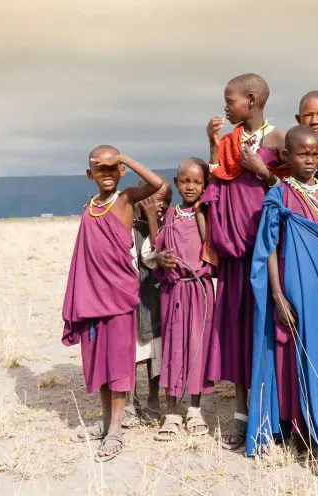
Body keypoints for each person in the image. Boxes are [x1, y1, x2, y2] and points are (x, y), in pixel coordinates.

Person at [247, 125, 318, 481]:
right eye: (301, 154)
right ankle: (313, 438)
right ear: (285, 157)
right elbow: (269, 251)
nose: (309, 160)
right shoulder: (280, 194)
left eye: (314, 153)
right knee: (299, 354)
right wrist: (277, 295)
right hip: (294, 285)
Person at [203, 73, 292, 450]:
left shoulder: (280, 139)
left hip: (271, 252)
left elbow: (293, 189)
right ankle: (242, 413)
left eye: (231, 99)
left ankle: (277, 412)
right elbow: (216, 189)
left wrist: (261, 171)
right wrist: (211, 146)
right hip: (236, 256)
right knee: (240, 331)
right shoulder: (228, 142)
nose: (225, 106)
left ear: (252, 100)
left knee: (271, 332)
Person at [63, 145, 167, 462]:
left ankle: (117, 430)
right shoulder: (90, 206)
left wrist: (123, 159)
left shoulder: (124, 200)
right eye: (100, 169)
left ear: (120, 171)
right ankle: (105, 421)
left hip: (119, 298)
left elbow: (157, 184)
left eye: (112, 169)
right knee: (99, 362)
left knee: (119, 364)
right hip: (93, 297)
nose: (106, 174)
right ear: (89, 174)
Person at [153, 158, 219, 441]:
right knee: (172, 346)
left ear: (205, 184)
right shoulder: (169, 215)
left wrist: (203, 215)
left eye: (197, 181)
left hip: (201, 290)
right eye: (185, 181)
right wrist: (159, 259)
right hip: (173, 290)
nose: (190, 186)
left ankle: (194, 409)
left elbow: (212, 250)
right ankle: (171, 411)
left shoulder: (210, 213)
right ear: (177, 182)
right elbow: (154, 253)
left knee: (197, 346)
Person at [123, 183, 172, 426]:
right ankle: (130, 399)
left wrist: (153, 220)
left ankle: (154, 397)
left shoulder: (165, 228)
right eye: (154, 199)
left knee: (155, 351)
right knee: (132, 352)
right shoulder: (127, 226)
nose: (160, 205)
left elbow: (157, 255)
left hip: (155, 301)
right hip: (132, 300)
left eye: (166, 201)